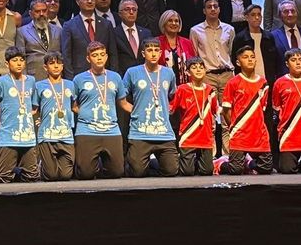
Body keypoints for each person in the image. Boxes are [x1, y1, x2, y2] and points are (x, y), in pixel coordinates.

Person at [121, 40, 180, 177]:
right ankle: (145, 162)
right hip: (140, 133)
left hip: (164, 133)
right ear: (143, 53)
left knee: (171, 171)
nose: (153, 54)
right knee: (137, 172)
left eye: (156, 51)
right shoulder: (132, 72)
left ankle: (152, 162)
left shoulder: (168, 73)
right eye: (149, 50)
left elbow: (173, 95)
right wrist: (134, 110)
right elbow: (121, 98)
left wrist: (168, 109)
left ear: (160, 53)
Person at [73, 42, 126, 180]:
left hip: (111, 130)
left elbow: (123, 103)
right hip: (87, 130)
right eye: (95, 55)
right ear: (88, 58)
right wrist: (86, 114)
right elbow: (73, 105)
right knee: (85, 174)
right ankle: (91, 164)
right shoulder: (79, 79)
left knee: (117, 173)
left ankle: (101, 165)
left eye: (102, 55)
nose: (99, 58)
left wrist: (140, 112)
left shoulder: (115, 77)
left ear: (106, 57)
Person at [0, 46, 40, 183]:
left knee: (32, 176)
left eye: (21, 60)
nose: (19, 63)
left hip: (27, 138)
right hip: (8, 137)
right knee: (4, 177)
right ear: (7, 63)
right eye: (15, 60)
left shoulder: (31, 81)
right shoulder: (1, 82)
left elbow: (34, 106)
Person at [219, 45, 273, 175]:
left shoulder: (263, 83)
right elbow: (226, 110)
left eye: (252, 57)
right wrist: (235, 126)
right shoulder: (233, 83)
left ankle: (248, 163)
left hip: (259, 133)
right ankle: (220, 163)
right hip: (240, 133)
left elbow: (262, 108)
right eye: (245, 57)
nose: (250, 60)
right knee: (236, 170)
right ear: (238, 62)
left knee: (266, 168)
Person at [33, 52, 76, 181]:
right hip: (47, 136)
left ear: (63, 66)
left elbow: (75, 106)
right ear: (45, 67)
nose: (56, 66)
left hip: (66, 136)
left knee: (66, 175)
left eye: (59, 63)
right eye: (52, 63)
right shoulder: (39, 86)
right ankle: (42, 166)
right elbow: (34, 109)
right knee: (51, 175)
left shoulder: (70, 85)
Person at [61, 0, 119, 78]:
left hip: (104, 75)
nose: (89, 1)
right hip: (80, 76)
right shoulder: (69, 26)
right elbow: (66, 56)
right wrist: (71, 80)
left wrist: (113, 76)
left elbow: (113, 53)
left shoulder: (106, 24)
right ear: (77, 1)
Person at [171, 56, 217, 176]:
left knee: (207, 171)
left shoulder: (210, 91)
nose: (198, 70)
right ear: (187, 72)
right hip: (188, 136)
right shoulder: (182, 89)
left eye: (201, 67)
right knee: (187, 172)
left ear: (205, 70)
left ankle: (200, 163)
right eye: (194, 67)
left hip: (205, 137)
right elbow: (171, 109)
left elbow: (215, 111)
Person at [189, 0, 235, 91]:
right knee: (209, 101)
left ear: (219, 9)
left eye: (215, 6)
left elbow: (231, 52)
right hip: (207, 76)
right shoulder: (195, 31)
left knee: (228, 101)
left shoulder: (229, 29)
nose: (213, 9)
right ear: (204, 11)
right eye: (209, 7)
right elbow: (194, 55)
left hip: (227, 75)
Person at [268, 1, 301, 81]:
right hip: (285, 83)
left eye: (293, 11)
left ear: (297, 13)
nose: (290, 14)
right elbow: (272, 65)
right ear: (280, 15)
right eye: (286, 12)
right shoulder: (273, 36)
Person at [17, 0, 63, 80]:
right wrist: (24, 80)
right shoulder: (22, 32)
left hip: (56, 77)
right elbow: (21, 58)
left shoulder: (58, 30)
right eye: (37, 11)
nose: (41, 14)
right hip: (33, 78)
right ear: (31, 14)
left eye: (44, 11)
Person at [111, 0, 151, 76]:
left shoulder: (146, 33)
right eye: (127, 9)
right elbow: (113, 58)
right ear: (120, 13)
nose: (131, 12)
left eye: (134, 9)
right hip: (123, 77)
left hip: (144, 76)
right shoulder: (113, 33)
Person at [157, 10, 197, 84]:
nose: (174, 23)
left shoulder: (187, 43)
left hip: (185, 86)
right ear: (164, 23)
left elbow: (194, 65)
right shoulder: (157, 42)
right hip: (162, 85)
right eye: (170, 20)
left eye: (176, 21)